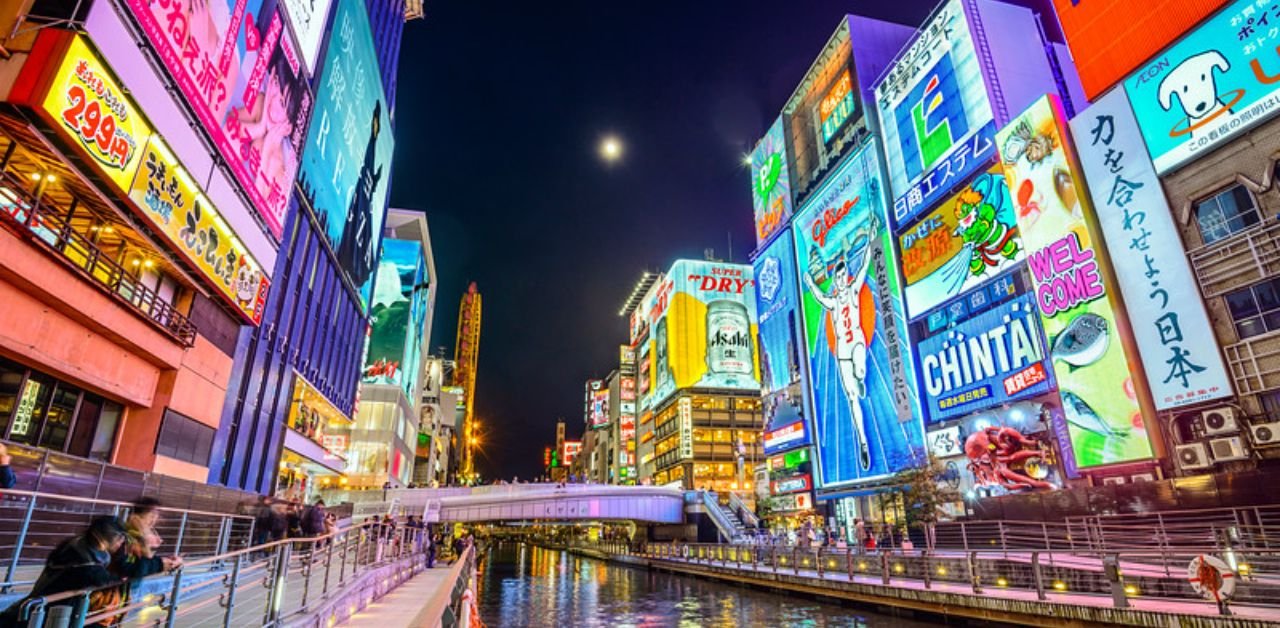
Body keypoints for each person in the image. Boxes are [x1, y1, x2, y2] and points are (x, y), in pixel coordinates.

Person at [802, 213, 878, 470]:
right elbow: (819, 297)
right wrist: (811, 282)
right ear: (835, 281)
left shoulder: (855, 289)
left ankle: (860, 376)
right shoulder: (833, 301)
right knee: (852, 398)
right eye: (839, 278)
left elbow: (866, 263)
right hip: (842, 352)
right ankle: (863, 442)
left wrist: (871, 238)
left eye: (844, 276)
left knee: (859, 370)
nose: (842, 281)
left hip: (856, 342)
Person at [0, 517, 128, 627]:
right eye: (119, 537)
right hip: (49, 606)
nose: (121, 541)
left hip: (53, 606)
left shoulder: (84, 546)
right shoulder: (81, 554)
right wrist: (121, 577)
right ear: (105, 536)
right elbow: (95, 577)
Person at [115, 498, 182, 581]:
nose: (154, 520)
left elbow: (142, 562)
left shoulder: (139, 536)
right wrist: (160, 564)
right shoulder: (127, 536)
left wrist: (167, 562)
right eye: (152, 515)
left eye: (156, 516)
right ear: (137, 515)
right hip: (120, 589)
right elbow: (129, 568)